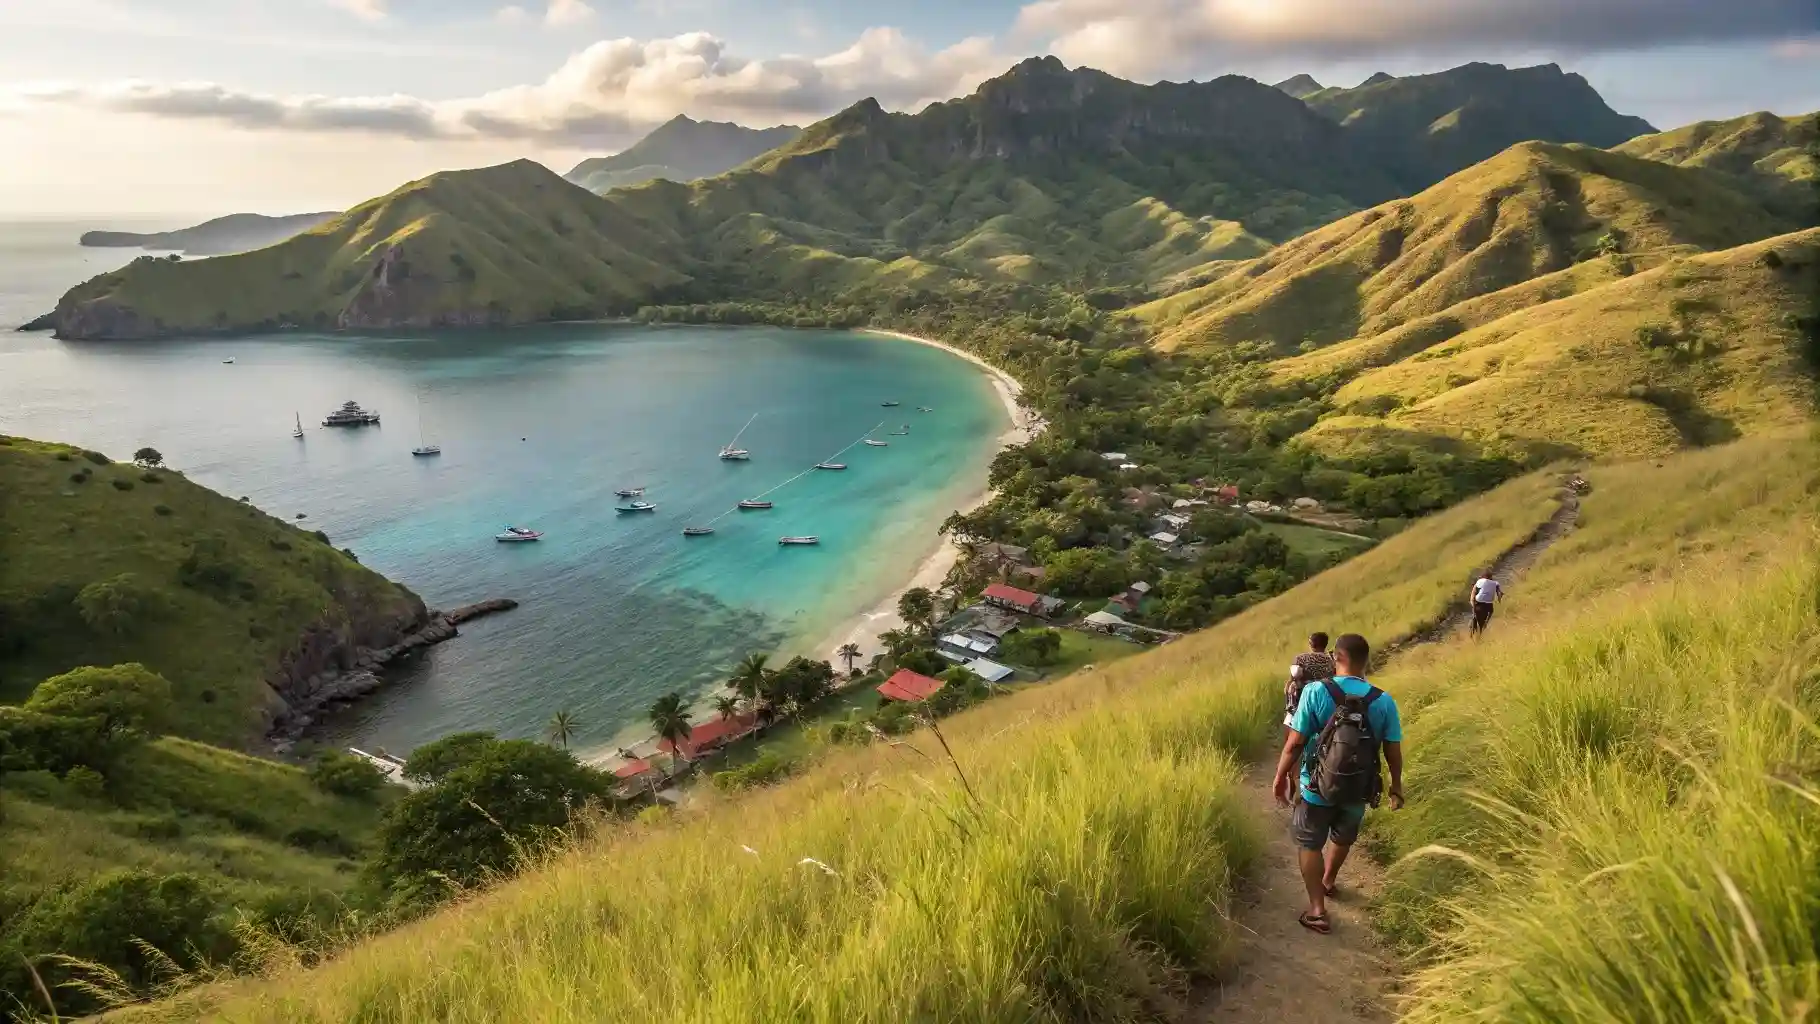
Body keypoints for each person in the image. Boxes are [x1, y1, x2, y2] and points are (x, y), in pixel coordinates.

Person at [1271, 632, 1404, 935]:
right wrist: (1396, 786)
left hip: (1316, 785)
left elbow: (1294, 742)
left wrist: (1281, 777)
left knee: (1310, 843)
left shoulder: (1316, 691)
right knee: (1343, 837)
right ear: (1365, 661)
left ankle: (1317, 910)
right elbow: (1392, 751)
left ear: (1337, 658)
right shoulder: (1384, 700)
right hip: (1359, 787)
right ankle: (1329, 880)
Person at [1283, 632, 1336, 732]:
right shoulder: (1331, 660)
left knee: (1290, 687)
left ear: (1311, 644)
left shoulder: (1301, 658)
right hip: (1326, 695)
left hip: (1303, 697)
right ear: (1326, 644)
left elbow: (1293, 677)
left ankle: (1290, 713)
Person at [1469, 571, 1503, 636]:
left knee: (1475, 616)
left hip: (1479, 602)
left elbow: (1473, 595)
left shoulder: (1479, 581)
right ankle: (1485, 623)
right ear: (1491, 577)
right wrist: (1499, 598)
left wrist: (1472, 604)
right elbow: (1499, 593)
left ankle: (1473, 622)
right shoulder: (1495, 583)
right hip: (1489, 605)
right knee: (1489, 613)